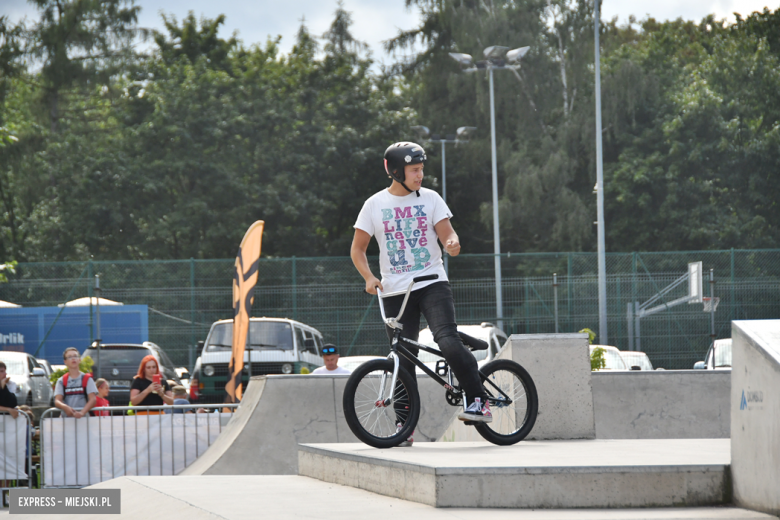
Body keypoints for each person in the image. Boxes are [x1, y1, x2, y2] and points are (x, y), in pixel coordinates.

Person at [350, 141, 492, 436]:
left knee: (446, 341)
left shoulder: (430, 199)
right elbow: (358, 250)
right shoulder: (374, 205)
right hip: (394, 292)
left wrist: (451, 243)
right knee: (401, 359)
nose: (420, 175)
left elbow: (447, 232)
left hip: (431, 283)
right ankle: (405, 425)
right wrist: (368, 277)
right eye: (415, 170)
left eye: (421, 169)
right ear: (396, 171)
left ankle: (479, 400)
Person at [54, 347, 97, 418]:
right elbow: (57, 401)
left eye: (75, 356)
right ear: (65, 362)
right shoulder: (61, 381)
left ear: (79, 359)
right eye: (70, 357)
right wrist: (65, 407)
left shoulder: (87, 378)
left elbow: (93, 399)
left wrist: (82, 413)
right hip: (66, 420)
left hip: (83, 420)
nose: (73, 359)